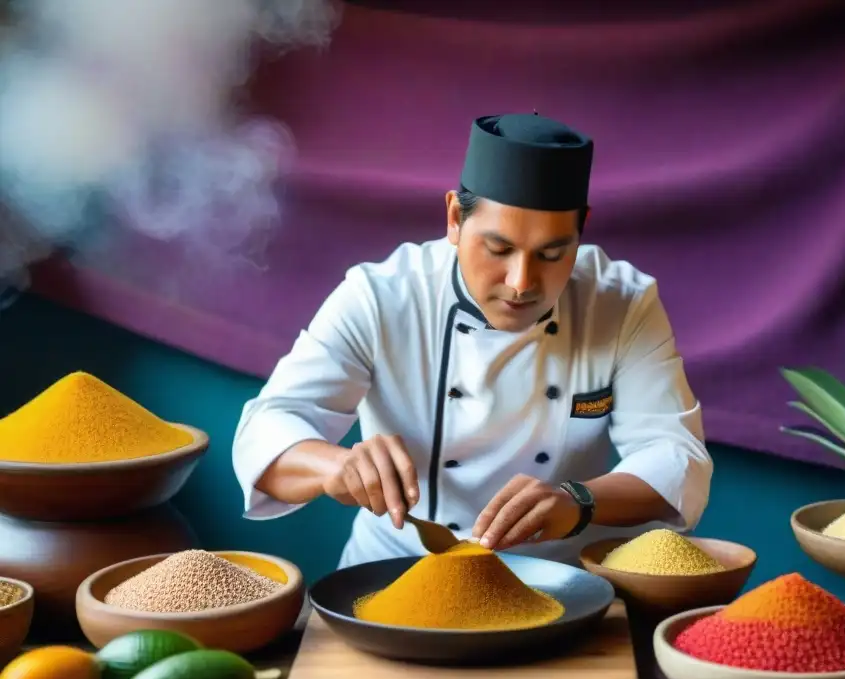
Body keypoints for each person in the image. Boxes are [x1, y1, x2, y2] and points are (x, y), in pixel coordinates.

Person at [231, 112, 713, 569]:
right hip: (393, 571)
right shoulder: (382, 296)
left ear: (581, 229)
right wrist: (334, 466)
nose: (522, 281)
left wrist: (578, 501)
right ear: (454, 220)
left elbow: (678, 456)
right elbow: (266, 429)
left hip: (564, 583)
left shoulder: (622, 302)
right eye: (498, 249)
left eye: (552, 253)